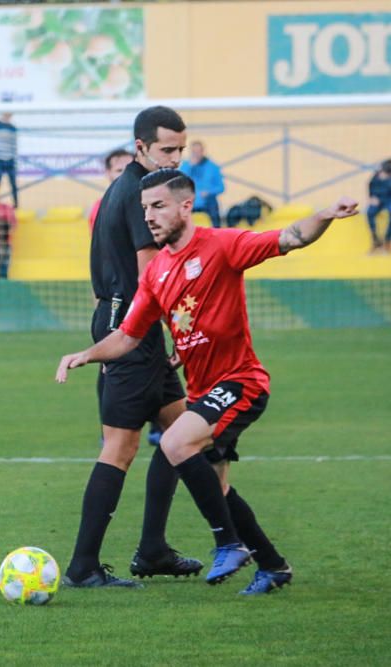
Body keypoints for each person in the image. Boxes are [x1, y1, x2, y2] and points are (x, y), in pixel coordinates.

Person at [58, 168, 358, 594]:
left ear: (185, 205)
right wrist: (86, 354)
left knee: (176, 443)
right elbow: (127, 335)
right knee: (217, 483)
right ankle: (272, 565)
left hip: (241, 382)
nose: (149, 217)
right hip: (204, 392)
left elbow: (289, 236)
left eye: (158, 206)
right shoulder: (157, 272)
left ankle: (228, 542)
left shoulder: (222, 245)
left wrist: (325, 214)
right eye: (145, 209)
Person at [63, 106, 202, 589]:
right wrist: (185, 331)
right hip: (131, 325)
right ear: (140, 147)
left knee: (182, 432)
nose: (176, 158)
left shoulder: (131, 188)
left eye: (181, 149)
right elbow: (152, 276)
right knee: (120, 447)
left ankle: (153, 549)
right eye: (167, 149)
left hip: (135, 322)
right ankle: (83, 566)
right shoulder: (142, 195)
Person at [88, 148, 162, 447]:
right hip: (122, 301)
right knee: (120, 448)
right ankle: (111, 429)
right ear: (108, 174)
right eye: (115, 170)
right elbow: (105, 255)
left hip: (137, 301)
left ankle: (157, 426)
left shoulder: (142, 200)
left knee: (177, 421)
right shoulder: (105, 206)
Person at [180, 141, 225, 228]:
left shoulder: (213, 167)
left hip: (207, 202)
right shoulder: (185, 166)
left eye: (198, 151)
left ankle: (217, 231)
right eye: (194, 152)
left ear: (203, 151)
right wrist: (190, 167)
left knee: (214, 207)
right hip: (190, 201)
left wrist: (209, 192)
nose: (196, 154)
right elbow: (179, 183)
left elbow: (221, 187)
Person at [88, 149, 133, 233]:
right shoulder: (100, 208)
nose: (126, 174)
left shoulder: (148, 202)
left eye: (130, 169)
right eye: (119, 170)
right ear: (108, 173)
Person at [0, 112, 18, 208]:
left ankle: (16, 204)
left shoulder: (13, 127)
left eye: (9, 115)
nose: (8, 116)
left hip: (10, 159)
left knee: (13, 183)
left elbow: (14, 145)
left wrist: (14, 158)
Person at [366, 158, 391, 253]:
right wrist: (372, 197)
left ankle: (388, 240)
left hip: (389, 199)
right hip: (378, 199)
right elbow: (370, 185)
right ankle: (376, 240)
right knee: (370, 212)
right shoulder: (376, 175)